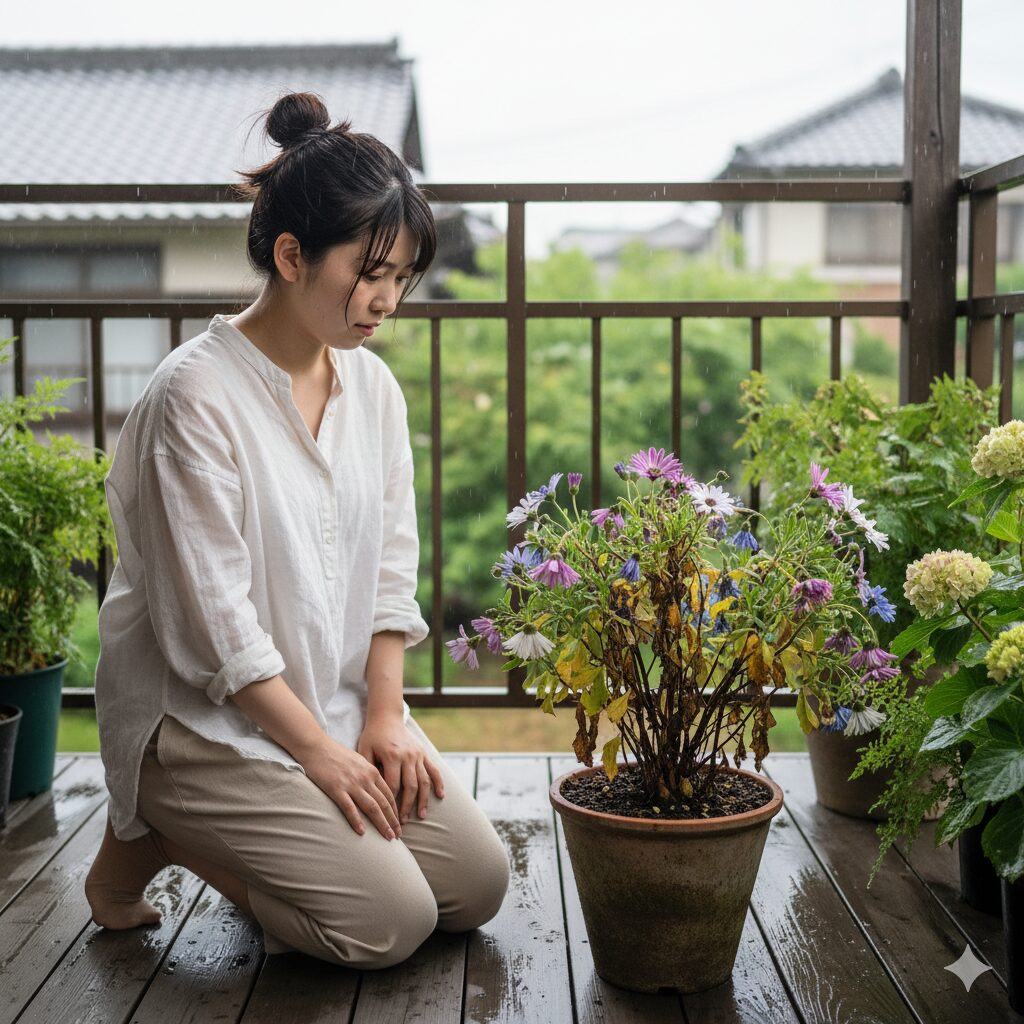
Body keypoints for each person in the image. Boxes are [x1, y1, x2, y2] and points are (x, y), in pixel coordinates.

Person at [83, 91, 510, 968]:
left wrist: (384, 719)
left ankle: (299, 841)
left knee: (475, 885)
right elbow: (217, 627)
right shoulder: (193, 398)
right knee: (388, 923)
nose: (387, 299)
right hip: (200, 719)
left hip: (329, 697)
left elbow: (394, 565)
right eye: (370, 271)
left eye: (401, 276)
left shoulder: (374, 391)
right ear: (291, 255)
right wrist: (318, 754)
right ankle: (158, 831)